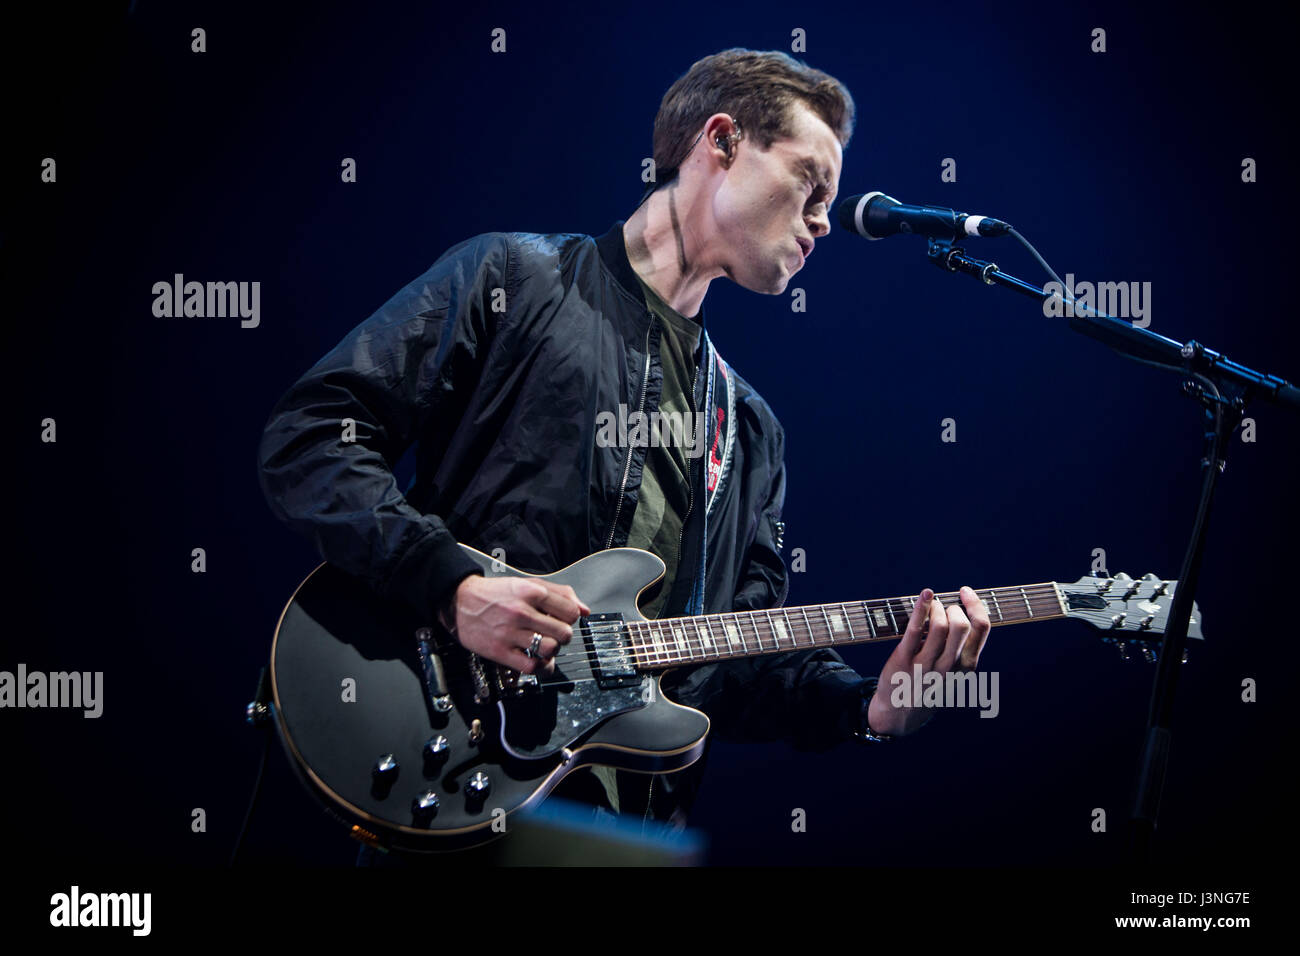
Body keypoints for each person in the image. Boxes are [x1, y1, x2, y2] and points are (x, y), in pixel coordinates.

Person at [257, 48, 991, 864]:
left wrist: (869, 707)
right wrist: (450, 583)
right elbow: (317, 432)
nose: (824, 219)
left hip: (623, 826)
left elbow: (733, 661)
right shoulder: (516, 277)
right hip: (457, 773)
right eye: (810, 183)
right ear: (721, 140)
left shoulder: (749, 429)